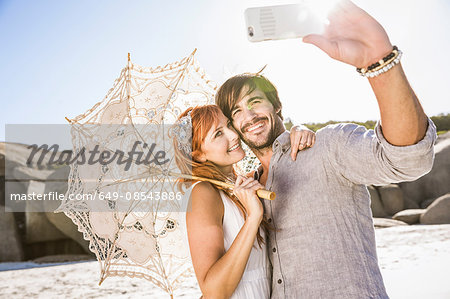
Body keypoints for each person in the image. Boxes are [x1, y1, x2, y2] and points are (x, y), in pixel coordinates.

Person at [214, 1, 437, 298]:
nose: (249, 117)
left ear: (276, 105)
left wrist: (380, 62)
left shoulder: (328, 146)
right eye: (237, 111)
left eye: (255, 102)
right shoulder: (247, 189)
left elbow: (406, 158)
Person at [171, 104, 315, 298]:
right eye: (218, 134)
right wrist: (253, 218)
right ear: (198, 155)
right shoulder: (202, 193)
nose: (233, 135)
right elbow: (214, 291)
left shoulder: (240, 186)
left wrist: (299, 130)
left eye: (229, 125)